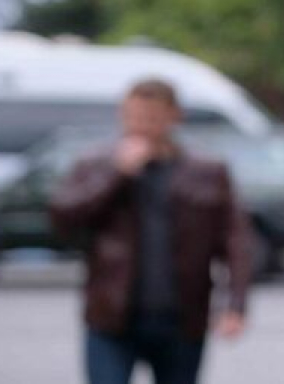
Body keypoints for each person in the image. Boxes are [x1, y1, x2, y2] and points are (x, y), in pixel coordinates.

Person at [50, 79, 251, 384]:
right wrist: (117, 174)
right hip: (111, 318)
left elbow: (235, 240)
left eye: (151, 118)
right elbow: (63, 219)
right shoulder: (96, 164)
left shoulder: (207, 171)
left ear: (174, 116)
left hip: (182, 319)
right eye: (132, 117)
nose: (140, 126)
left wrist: (235, 305)